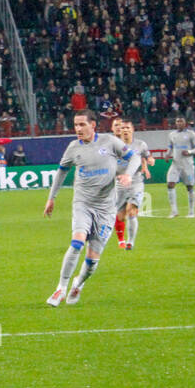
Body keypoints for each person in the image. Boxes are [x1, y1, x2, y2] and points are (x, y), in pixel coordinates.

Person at [43, 109, 142, 306]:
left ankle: (78, 283)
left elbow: (135, 158)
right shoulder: (73, 148)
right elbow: (61, 172)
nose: (78, 129)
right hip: (83, 204)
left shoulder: (109, 142)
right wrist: (51, 198)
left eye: (82, 124)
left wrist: (129, 174)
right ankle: (60, 289)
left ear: (93, 125)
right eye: (75, 125)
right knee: (77, 242)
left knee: (92, 258)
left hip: (106, 208)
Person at [113, 120, 152, 251]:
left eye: (127, 128)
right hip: (120, 184)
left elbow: (146, 155)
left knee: (131, 211)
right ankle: (122, 237)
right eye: (123, 128)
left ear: (132, 130)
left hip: (136, 182)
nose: (125, 130)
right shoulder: (115, 146)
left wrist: (148, 163)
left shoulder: (140, 144)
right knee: (120, 216)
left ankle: (130, 242)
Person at [165, 116, 195, 218]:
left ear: (185, 123)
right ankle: (174, 211)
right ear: (175, 123)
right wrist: (167, 154)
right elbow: (170, 147)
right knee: (170, 184)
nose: (179, 123)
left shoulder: (191, 134)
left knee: (189, 187)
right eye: (177, 121)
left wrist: (189, 152)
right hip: (175, 164)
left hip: (187, 165)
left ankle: (191, 212)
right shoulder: (172, 135)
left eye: (181, 121)